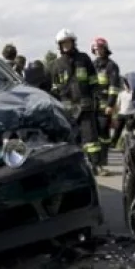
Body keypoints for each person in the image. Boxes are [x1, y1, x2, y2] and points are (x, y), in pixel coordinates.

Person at [50, 29, 104, 175]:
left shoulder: (84, 58)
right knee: (72, 138)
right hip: (67, 108)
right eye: (63, 43)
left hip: (85, 104)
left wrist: (96, 98)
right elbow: (55, 88)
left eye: (68, 42)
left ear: (73, 42)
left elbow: (93, 81)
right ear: (60, 46)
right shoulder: (56, 64)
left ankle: (96, 165)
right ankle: (76, 168)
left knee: (91, 139)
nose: (66, 45)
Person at [90, 37, 121, 169]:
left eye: (100, 49)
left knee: (104, 134)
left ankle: (102, 162)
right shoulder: (92, 65)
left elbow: (114, 87)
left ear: (105, 49)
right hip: (93, 105)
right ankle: (94, 164)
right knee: (93, 135)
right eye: (96, 49)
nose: (98, 51)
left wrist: (110, 105)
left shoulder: (111, 66)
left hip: (105, 106)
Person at [110, 77, 134, 150]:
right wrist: (114, 114)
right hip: (121, 114)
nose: (126, 86)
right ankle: (112, 144)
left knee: (130, 131)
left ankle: (131, 145)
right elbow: (118, 104)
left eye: (128, 85)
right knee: (117, 130)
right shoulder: (121, 94)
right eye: (125, 85)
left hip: (130, 114)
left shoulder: (133, 94)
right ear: (124, 85)